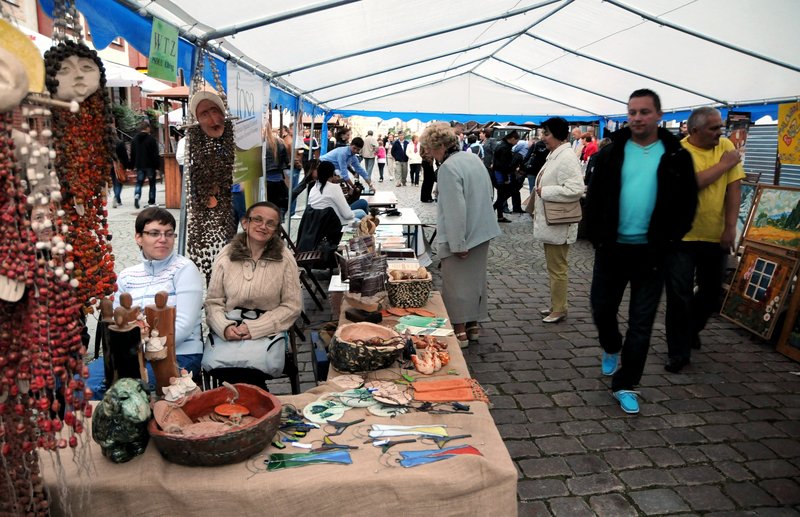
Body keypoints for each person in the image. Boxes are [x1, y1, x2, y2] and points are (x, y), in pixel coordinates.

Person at [585, 88, 697, 415]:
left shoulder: (676, 155)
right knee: (601, 308)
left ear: (659, 115)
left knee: (642, 323)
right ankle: (610, 344)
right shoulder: (610, 153)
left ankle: (626, 383)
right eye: (632, 112)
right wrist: (596, 236)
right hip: (612, 250)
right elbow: (594, 199)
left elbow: (687, 203)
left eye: (644, 112)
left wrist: (671, 241)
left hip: (652, 254)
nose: (637, 118)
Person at [87, 207, 205, 395]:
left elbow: (183, 326)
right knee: (81, 384)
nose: (163, 239)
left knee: (121, 391)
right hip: (129, 354)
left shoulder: (184, 269)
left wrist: (142, 347)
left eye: (169, 234)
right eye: (154, 233)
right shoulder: (127, 276)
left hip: (178, 354)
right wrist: (130, 348)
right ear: (139, 238)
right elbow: (118, 322)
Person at [663, 107, 745, 373]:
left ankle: (691, 329)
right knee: (679, 296)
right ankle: (678, 352)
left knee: (711, 295)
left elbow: (734, 188)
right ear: (695, 130)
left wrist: (730, 226)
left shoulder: (725, 146)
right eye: (714, 128)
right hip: (680, 238)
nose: (720, 132)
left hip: (714, 235)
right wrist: (724, 165)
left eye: (720, 127)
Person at [420, 122, 501, 348]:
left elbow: (455, 209)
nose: (429, 153)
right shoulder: (473, 158)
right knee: (475, 283)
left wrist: (457, 243)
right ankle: (473, 325)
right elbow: (488, 193)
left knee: (456, 285)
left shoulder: (447, 168)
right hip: (482, 231)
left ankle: (460, 331)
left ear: (440, 146)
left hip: (462, 236)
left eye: (429, 148)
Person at [204, 201, 302, 386]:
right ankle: (253, 405)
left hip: (267, 331)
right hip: (231, 329)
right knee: (227, 368)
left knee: (248, 371)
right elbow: (213, 302)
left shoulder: (284, 258)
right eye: (257, 219)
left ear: (275, 229)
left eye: (270, 223)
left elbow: (292, 306)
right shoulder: (226, 254)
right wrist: (224, 327)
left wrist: (256, 328)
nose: (263, 226)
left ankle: (245, 406)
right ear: (245, 222)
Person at [532, 117, 585, 324]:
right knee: (555, 267)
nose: (543, 138)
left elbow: (575, 189)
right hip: (553, 221)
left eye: (546, 133)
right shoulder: (556, 155)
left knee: (558, 268)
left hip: (560, 222)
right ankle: (556, 305)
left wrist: (545, 191)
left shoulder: (566, 157)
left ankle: (560, 309)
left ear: (557, 134)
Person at [491, 130, 523, 223]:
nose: (517, 143)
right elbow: (503, 165)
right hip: (500, 176)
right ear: (512, 139)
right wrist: (506, 178)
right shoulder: (505, 148)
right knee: (504, 195)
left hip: (498, 174)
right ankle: (491, 210)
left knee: (502, 195)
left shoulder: (502, 145)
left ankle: (500, 216)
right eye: (516, 141)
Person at [130, 120, 160, 209]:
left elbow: (133, 154)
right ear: (147, 128)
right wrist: (157, 166)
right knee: (152, 184)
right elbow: (155, 153)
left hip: (139, 165)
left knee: (139, 182)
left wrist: (132, 165)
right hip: (150, 165)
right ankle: (151, 201)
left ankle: (137, 195)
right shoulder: (151, 139)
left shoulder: (134, 139)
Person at [263, 126, 290, 217]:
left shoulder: (260, 143)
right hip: (278, 180)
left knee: (267, 209)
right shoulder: (280, 142)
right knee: (276, 207)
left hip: (265, 182)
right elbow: (286, 161)